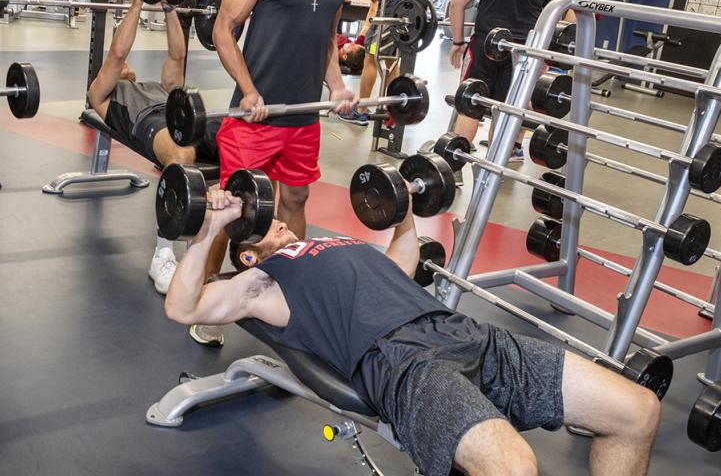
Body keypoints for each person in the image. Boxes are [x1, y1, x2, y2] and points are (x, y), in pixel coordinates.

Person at [163, 187, 662, 476]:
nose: (281, 224)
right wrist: (210, 227)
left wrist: (401, 217)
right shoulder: (262, 282)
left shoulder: (335, 244)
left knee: (637, 411)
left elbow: (399, 269)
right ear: (247, 253)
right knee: (515, 469)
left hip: (465, 332)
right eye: (266, 226)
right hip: (404, 364)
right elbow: (184, 307)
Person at [212, 0, 356, 242]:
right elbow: (223, 30)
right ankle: (205, 285)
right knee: (234, 209)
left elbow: (327, 37)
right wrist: (247, 89)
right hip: (255, 117)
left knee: (296, 198)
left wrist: (337, 87)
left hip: (303, 117)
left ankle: (287, 281)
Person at [85, 0, 220, 299]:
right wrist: (137, 3)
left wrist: (169, 7)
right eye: (119, 68)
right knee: (182, 156)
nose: (125, 67)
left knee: (242, 141)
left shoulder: (159, 86)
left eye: (127, 67)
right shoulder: (103, 93)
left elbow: (178, 54)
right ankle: (163, 254)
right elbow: (118, 53)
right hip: (149, 124)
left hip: (181, 114)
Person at [447, 0, 562, 158]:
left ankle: (452, 169)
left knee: (470, 106)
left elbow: (456, 3)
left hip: (485, 46)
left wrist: (457, 41)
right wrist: (544, 55)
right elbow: (558, 13)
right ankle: (492, 171)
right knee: (506, 110)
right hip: (522, 53)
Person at [339, 0, 411, 126]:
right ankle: (395, 112)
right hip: (403, 17)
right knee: (392, 63)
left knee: (370, 59)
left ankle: (361, 111)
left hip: (384, 18)